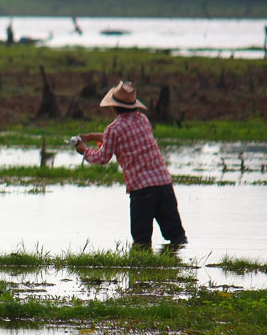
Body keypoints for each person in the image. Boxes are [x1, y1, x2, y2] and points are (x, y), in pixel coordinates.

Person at [72, 81, 187, 250]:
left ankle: (141, 274)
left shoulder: (114, 129)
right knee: (177, 236)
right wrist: (97, 136)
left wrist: (84, 151)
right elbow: (129, 138)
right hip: (164, 185)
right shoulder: (143, 119)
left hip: (142, 190)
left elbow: (103, 158)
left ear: (114, 107)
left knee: (141, 242)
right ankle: (179, 268)